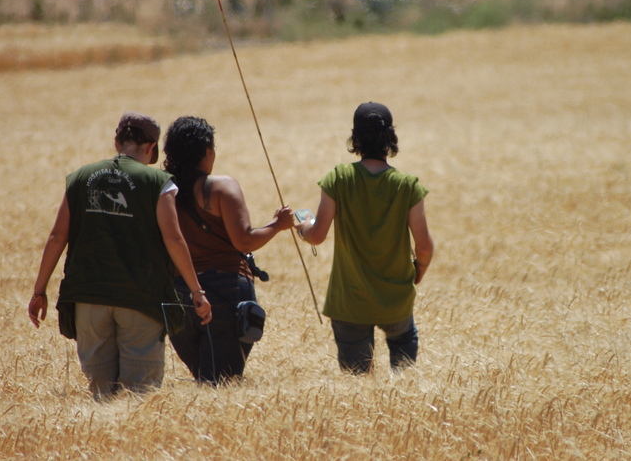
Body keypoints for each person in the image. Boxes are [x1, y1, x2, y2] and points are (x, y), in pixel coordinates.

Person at [28, 112, 212, 400]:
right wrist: (196, 290)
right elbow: (174, 239)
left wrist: (39, 291)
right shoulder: (158, 181)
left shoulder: (80, 178)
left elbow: (56, 237)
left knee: (101, 394)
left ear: (117, 142)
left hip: (88, 298)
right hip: (140, 299)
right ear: (152, 148)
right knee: (139, 395)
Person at [296, 102, 434, 374]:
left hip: (350, 302)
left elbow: (318, 235)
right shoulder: (408, 185)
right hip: (396, 300)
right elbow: (425, 247)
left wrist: (303, 227)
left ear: (355, 137)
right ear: (390, 138)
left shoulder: (338, 178)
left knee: (356, 388)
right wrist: (418, 271)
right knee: (405, 383)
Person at [162, 115, 294, 384]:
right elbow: (245, 241)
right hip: (226, 290)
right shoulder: (220, 187)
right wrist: (278, 224)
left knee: (205, 382)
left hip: (178, 296)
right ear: (208, 151)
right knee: (221, 385)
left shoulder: (163, 192)